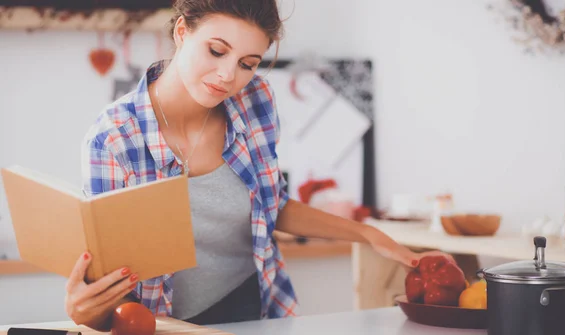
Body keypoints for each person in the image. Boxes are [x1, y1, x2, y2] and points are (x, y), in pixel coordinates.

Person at [64, 0, 454, 331]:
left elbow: (272, 205)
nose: (228, 76)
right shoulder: (113, 139)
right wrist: (87, 311)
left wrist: (369, 235)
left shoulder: (254, 100)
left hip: (253, 303)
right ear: (182, 31)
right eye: (216, 51)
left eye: (248, 63)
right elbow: (113, 276)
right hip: (164, 322)